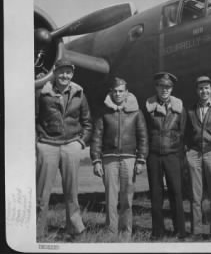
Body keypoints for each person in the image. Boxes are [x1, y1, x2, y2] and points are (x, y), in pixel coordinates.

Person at [36, 59, 92, 240]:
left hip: (71, 145)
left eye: (68, 72)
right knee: (41, 193)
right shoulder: (41, 92)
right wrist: (38, 142)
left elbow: (87, 123)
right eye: (61, 72)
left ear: (72, 74)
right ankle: (38, 230)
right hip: (47, 145)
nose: (64, 76)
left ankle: (75, 229)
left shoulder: (79, 94)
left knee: (71, 191)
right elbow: (32, 118)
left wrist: (81, 143)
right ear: (54, 71)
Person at [90, 77, 148, 240]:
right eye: (115, 91)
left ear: (126, 92)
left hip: (129, 158)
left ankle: (126, 232)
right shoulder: (104, 112)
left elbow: (143, 137)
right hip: (109, 159)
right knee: (111, 198)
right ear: (111, 92)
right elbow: (96, 137)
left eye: (121, 91)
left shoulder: (136, 112)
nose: (117, 94)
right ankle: (111, 231)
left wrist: (141, 159)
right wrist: (96, 160)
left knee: (127, 198)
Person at [144, 72, 187, 240]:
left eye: (168, 87)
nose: (164, 90)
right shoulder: (147, 107)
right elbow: (145, 132)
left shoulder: (179, 108)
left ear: (172, 89)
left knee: (176, 193)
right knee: (156, 194)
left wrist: (177, 152)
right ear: (156, 87)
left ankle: (180, 231)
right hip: (153, 156)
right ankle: (158, 232)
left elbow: (181, 132)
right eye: (161, 86)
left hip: (172, 155)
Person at [185, 76, 211, 242]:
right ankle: (196, 232)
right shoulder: (191, 111)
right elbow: (186, 133)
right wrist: (188, 152)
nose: (204, 91)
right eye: (201, 88)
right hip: (194, 154)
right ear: (197, 91)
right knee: (195, 196)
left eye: (207, 88)